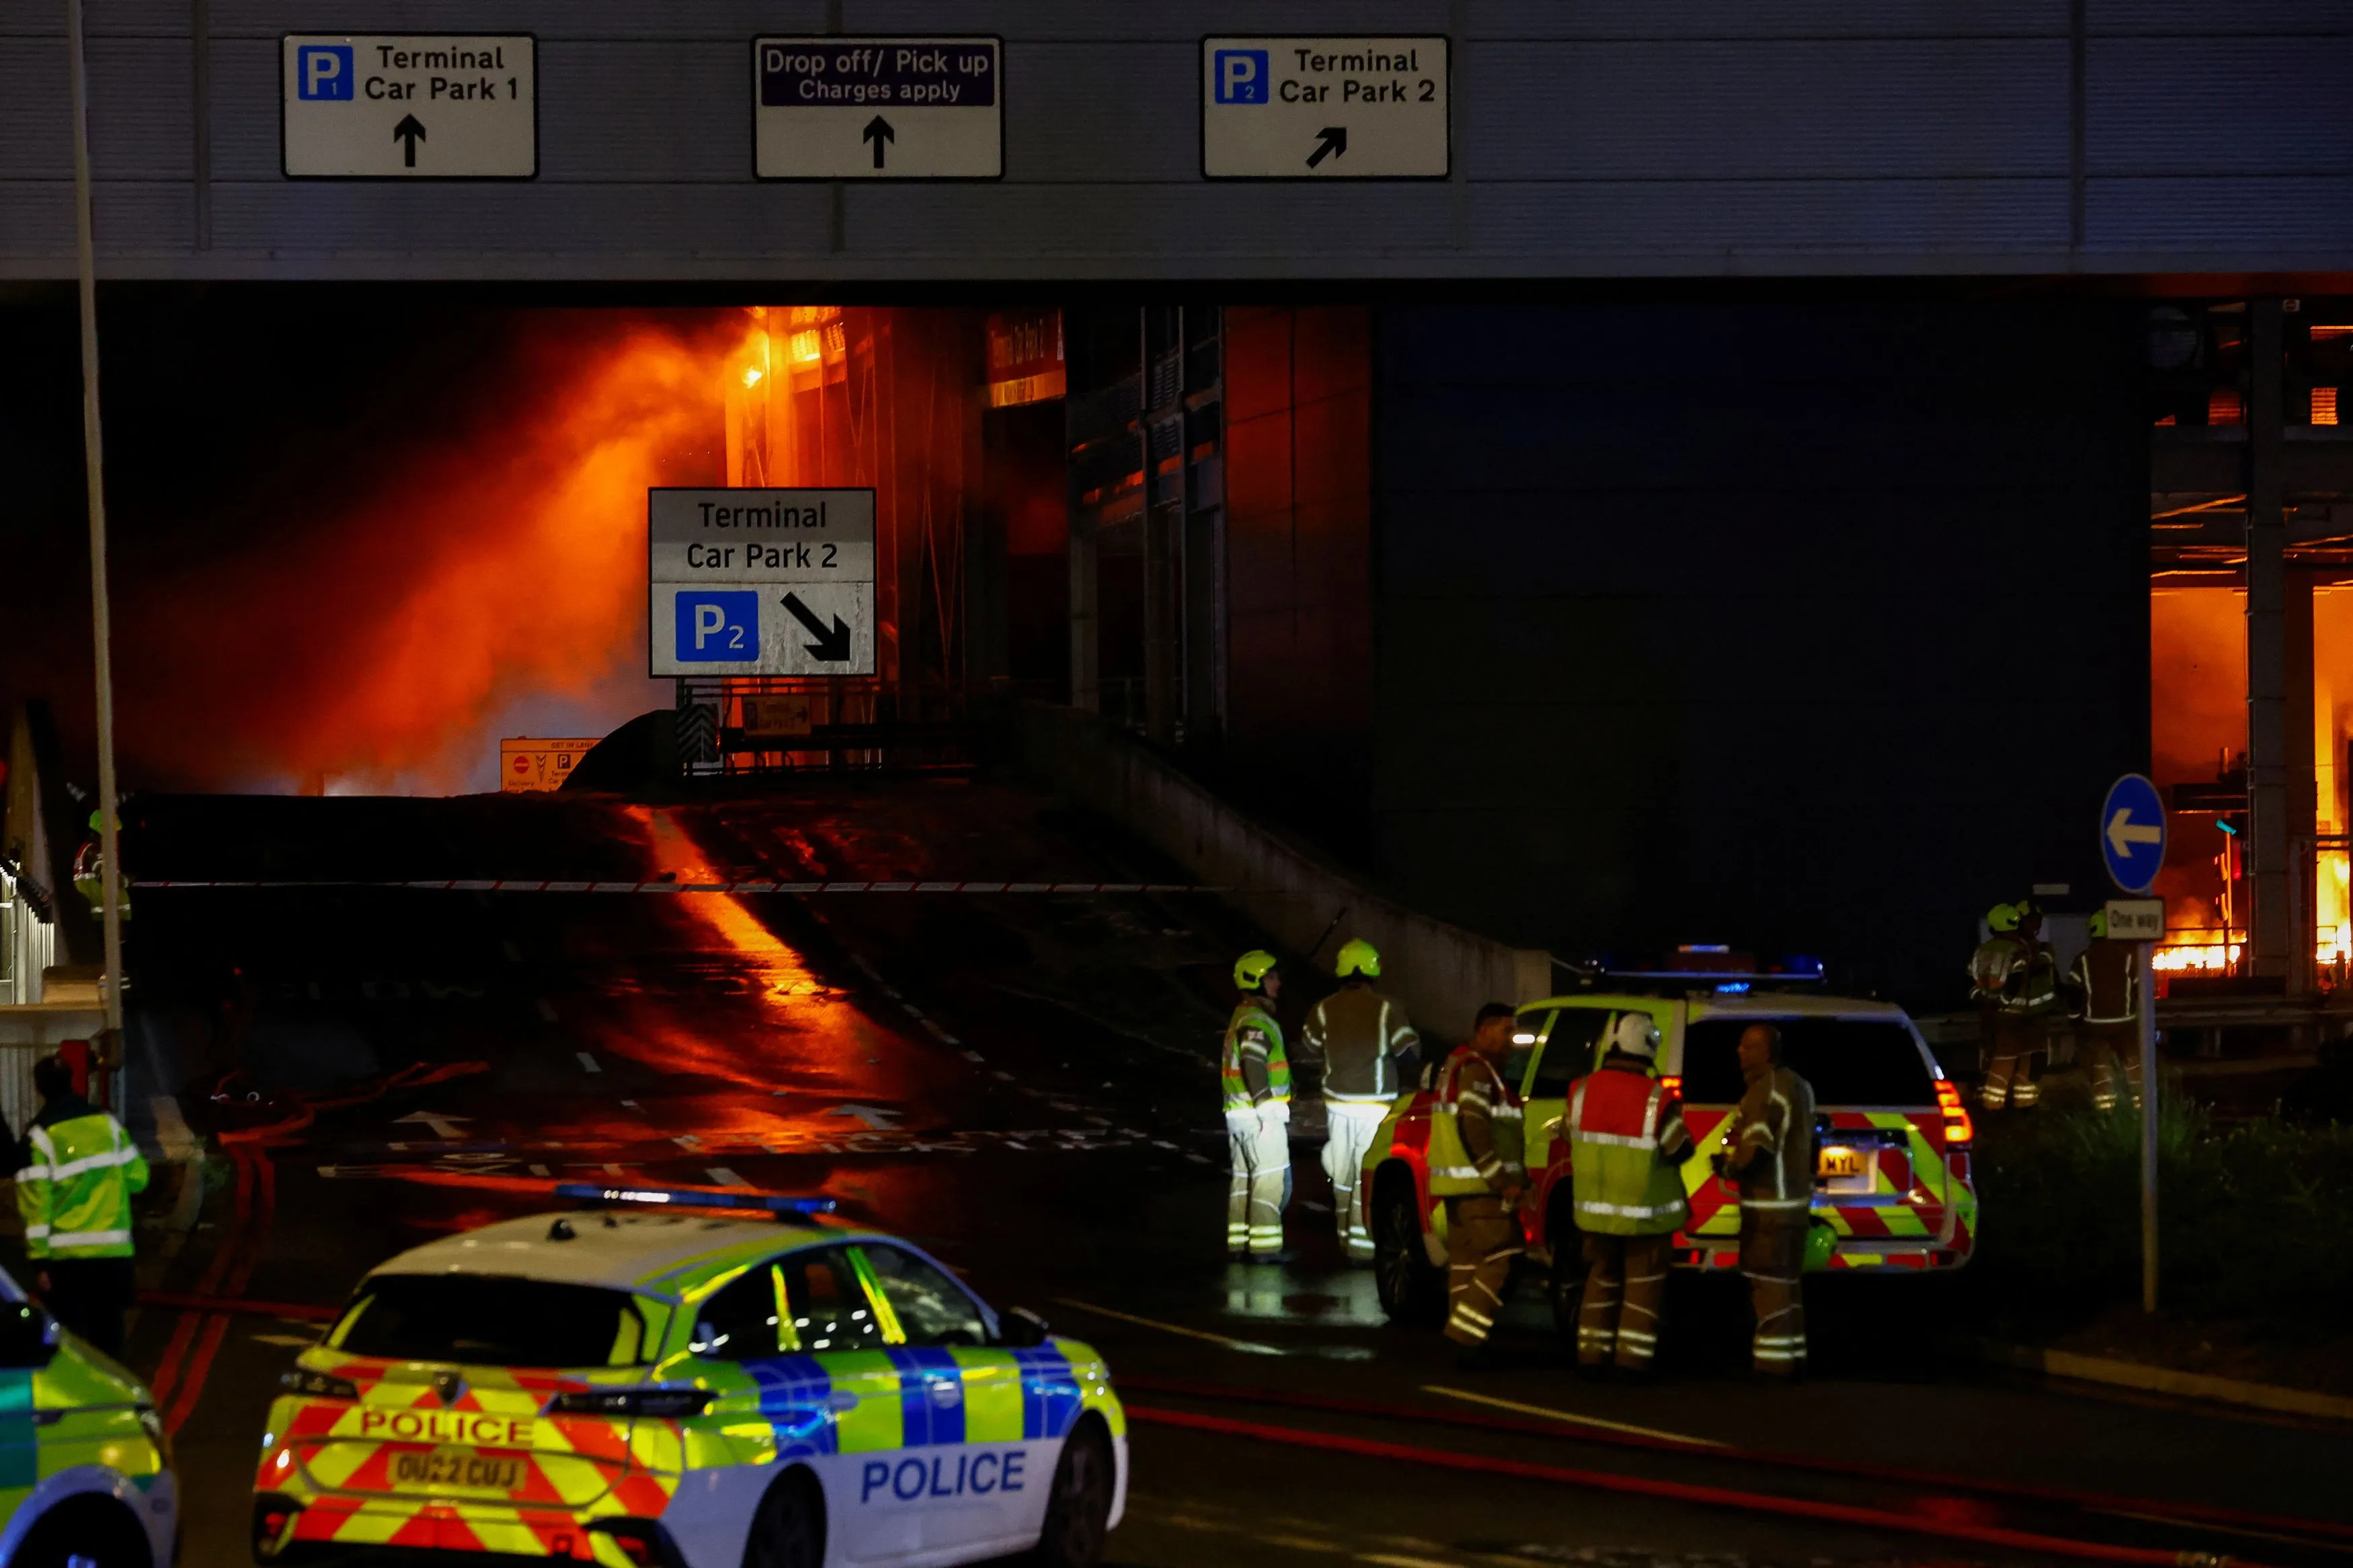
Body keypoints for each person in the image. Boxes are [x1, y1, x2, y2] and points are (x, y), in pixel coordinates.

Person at [1567, 1012, 1698, 1377]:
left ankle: (1591, 1356)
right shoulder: (1656, 1098)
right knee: (1642, 1286)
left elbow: (1568, 1135)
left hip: (1594, 1214)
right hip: (1644, 1217)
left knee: (1601, 1279)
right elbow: (1680, 1148)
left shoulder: (1581, 1090)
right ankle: (1631, 1361)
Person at [15, 1053, 147, 1358]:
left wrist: (39, 1262)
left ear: (39, 1089)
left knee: (71, 1346)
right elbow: (139, 1179)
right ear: (74, 1082)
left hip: (67, 1262)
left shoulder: (38, 1138)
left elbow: (36, 1206)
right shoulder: (107, 1125)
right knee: (110, 1338)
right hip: (114, 1254)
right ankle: (111, 1400)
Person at [1300, 938, 1421, 1264]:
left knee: (1342, 1171)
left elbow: (1310, 1044)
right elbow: (1409, 1051)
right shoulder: (1387, 1008)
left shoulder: (1323, 1008)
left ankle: (1344, 1240)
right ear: (1372, 971)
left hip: (1337, 1104)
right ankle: (1365, 1248)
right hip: (1376, 1105)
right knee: (1366, 1174)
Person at [1712, 1022, 1815, 1378]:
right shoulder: (1799, 1086)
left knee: (1767, 1285)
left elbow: (1756, 1149)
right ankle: (1793, 1357)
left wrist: (1727, 1168)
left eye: (1747, 1046)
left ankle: (1772, 1366)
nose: (1739, 1052)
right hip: (1795, 1207)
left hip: (1769, 1209)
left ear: (1766, 1052)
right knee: (1787, 1285)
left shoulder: (1764, 1091)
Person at [1428, 1003, 1525, 1368]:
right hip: (1480, 1188)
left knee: (1466, 1264)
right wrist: (1502, 1180)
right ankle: (1463, 1338)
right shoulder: (1477, 1071)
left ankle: (1460, 1344)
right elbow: (1475, 1127)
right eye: (1505, 1032)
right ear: (1483, 1029)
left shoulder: (1457, 1064)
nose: (1510, 1042)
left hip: (1457, 1187)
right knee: (1503, 1257)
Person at [1221, 950, 1293, 1260]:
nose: (1277, 983)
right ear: (1256, 980)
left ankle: (1239, 1245)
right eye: (1272, 977)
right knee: (1270, 1182)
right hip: (1259, 1115)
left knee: (1243, 1182)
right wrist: (1266, 1108)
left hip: (1238, 1114)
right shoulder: (1256, 1020)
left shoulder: (1241, 1014)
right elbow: (1253, 1060)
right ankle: (1266, 1250)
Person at [1975, 899, 2056, 1109]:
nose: (2035, 927)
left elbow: (1971, 980)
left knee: (2015, 1059)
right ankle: (2000, 1106)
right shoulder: (2021, 951)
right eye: (2030, 921)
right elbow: (2020, 978)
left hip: (2001, 1014)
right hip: (2018, 1015)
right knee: (2008, 1059)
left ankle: (2019, 1103)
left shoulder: (1984, 951)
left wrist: (1985, 1000)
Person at [2066, 908, 2143, 1112]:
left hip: (2095, 1026)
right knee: (2133, 1064)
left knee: (2101, 1067)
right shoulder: (2127, 958)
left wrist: (2075, 1019)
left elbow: (2074, 993)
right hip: (2126, 1023)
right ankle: (2140, 1109)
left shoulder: (2082, 960)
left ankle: (2106, 1111)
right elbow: (2140, 989)